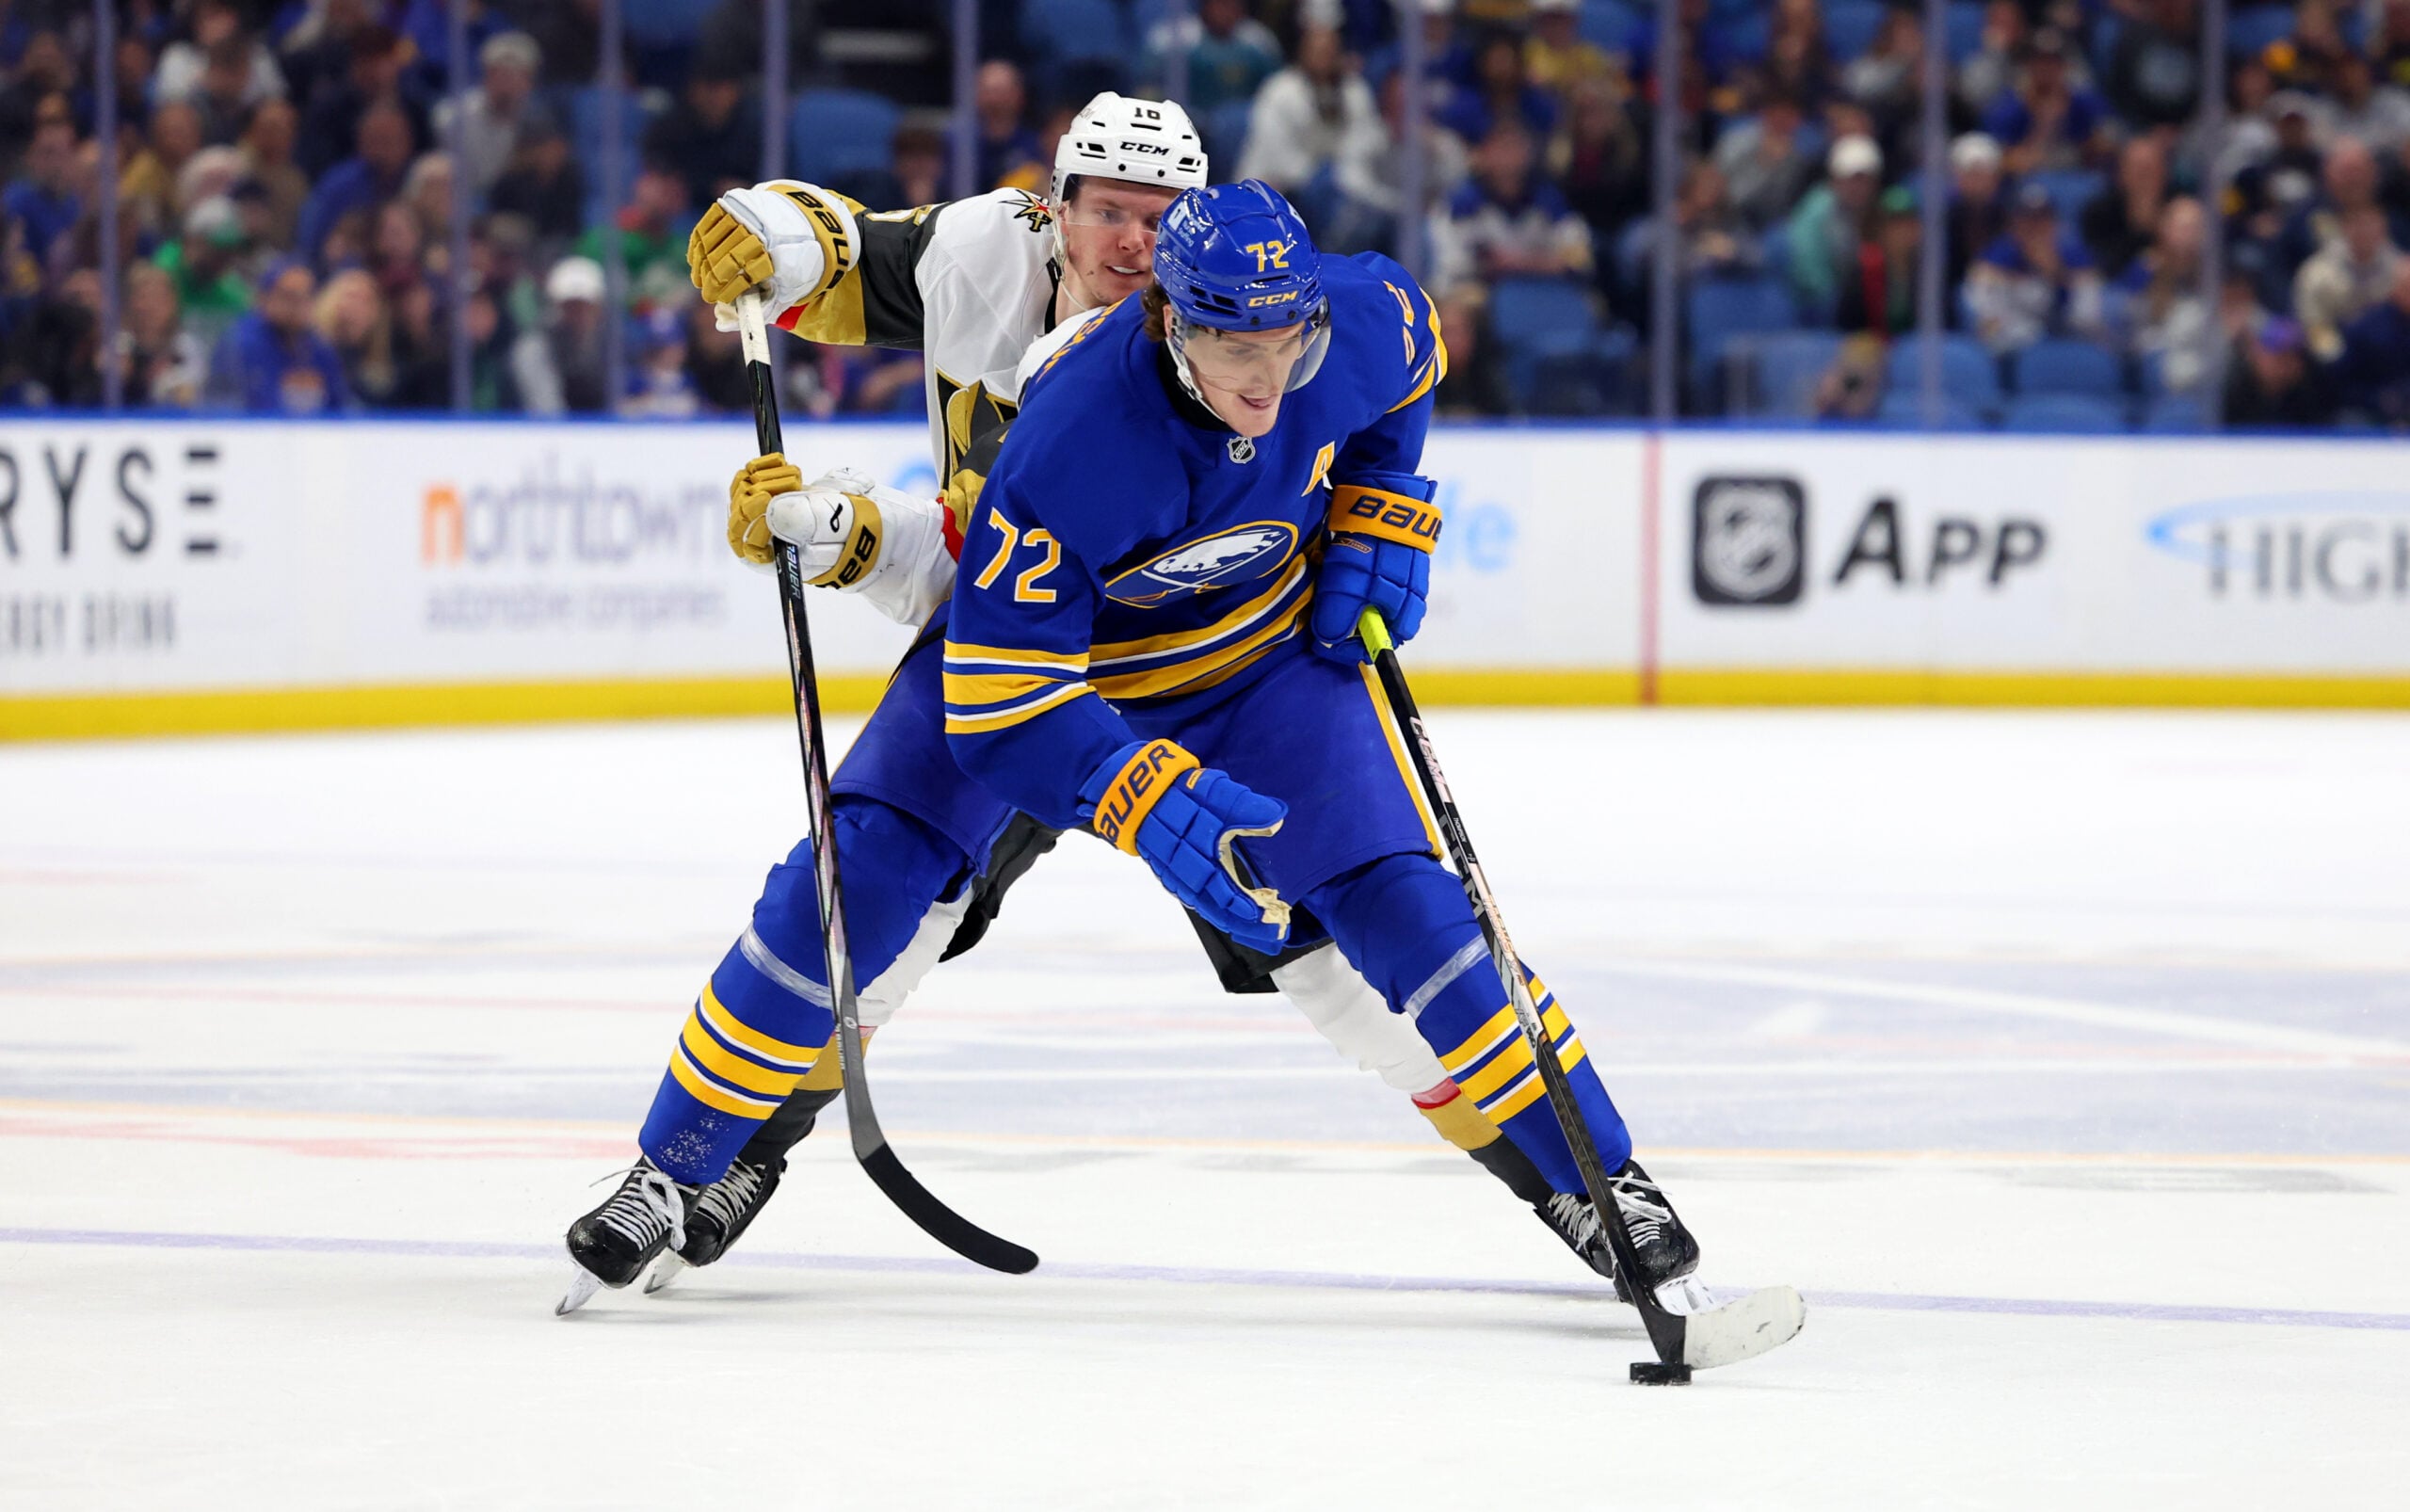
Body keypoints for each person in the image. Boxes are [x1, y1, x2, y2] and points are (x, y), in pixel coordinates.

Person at [565, 179, 1704, 1312]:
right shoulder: (1065, 433)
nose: (1266, 384)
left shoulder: (1355, 320)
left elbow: (1409, 362)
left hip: (1255, 667)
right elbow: (998, 694)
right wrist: (1132, 790)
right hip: (1057, 676)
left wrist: (1381, 502)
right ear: (1167, 314)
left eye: (1287, 346)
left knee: (1407, 912)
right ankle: (674, 1170)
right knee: (861, 874)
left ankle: (1605, 1183)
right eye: (1232, 349)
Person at [1236, 24, 1381, 197]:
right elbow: (1275, 151)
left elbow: (1365, 139)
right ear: (1303, 53)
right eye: (1317, 51)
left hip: (1337, 186)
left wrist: (1337, 175)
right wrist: (1314, 177)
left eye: (1329, 52)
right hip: (1277, 185)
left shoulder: (1354, 91)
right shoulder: (1279, 90)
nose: (1323, 59)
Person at [1965, 181, 2104, 353]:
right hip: (2012, 353)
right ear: (2013, 224)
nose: (2035, 229)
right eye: (2027, 220)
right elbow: (1988, 325)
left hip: (2065, 347)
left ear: (2054, 223)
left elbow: (2087, 320)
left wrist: (2057, 277)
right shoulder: (1995, 258)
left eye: (2042, 219)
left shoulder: (2075, 257)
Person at [206, 257, 348, 414]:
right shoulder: (239, 345)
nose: (298, 305)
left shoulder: (319, 348)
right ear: (263, 298)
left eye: (306, 296)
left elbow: (339, 407)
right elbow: (228, 408)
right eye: (289, 296)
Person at [2294, 202, 2402, 361]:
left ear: (2383, 226)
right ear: (2344, 228)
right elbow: (2314, 325)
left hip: (2393, 355)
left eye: (2370, 223)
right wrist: (2334, 355)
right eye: (2357, 224)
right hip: (2342, 356)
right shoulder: (2316, 274)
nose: (2364, 231)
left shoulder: (2401, 268)